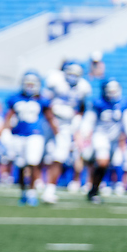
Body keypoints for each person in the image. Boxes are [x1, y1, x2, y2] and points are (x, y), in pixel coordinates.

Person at [0, 71, 58, 206]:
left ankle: (32, 193)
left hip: (35, 135)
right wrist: (3, 131)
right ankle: (23, 192)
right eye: (27, 83)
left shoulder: (42, 99)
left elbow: (50, 118)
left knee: (33, 162)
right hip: (18, 135)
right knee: (20, 164)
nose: (30, 86)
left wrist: (56, 135)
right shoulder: (15, 98)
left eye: (32, 84)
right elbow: (8, 117)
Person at [83, 79, 127, 203]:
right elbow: (89, 120)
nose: (112, 94)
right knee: (103, 162)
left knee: (106, 165)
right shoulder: (98, 103)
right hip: (100, 136)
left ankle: (94, 190)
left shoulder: (123, 103)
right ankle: (93, 188)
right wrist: (85, 133)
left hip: (114, 139)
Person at [42, 60, 92, 203]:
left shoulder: (83, 87)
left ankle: (49, 190)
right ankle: (32, 187)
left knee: (59, 156)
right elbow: (45, 103)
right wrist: (52, 122)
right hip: (49, 120)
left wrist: (77, 119)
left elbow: (82, 106)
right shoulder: (55, 81)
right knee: (40, 155)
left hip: (66, 124)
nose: (72, 77)